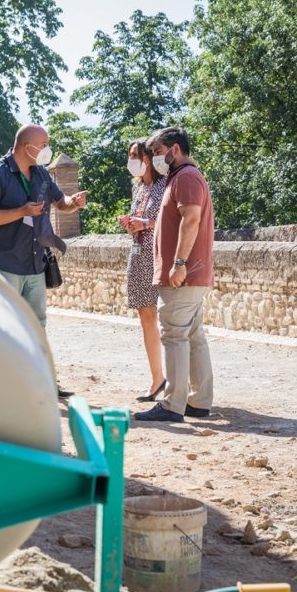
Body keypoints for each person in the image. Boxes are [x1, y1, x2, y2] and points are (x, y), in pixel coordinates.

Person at [0, 124, 88, 398]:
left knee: (38, 324)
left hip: (35, 263)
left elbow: (61, 204)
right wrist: (21, 211)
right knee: (3, 324)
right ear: (28, 147)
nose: (48, 149)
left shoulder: (40, 174)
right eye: (44, 143)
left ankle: (45, 380)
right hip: (4, 263)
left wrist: (74, 202)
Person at [133, 127, 215, 423]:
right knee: (193, 335)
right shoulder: (181, 177)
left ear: (175, 149)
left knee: (175, 335)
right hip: (191, 272)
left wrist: (179, 263)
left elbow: (191, 219)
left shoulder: (186, 177)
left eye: (157, 152)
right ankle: (199, 400)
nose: (154, 158)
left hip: (184, 273)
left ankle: (173, 404)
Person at [117, 138, 167, 402]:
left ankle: (176, 379)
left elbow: (171, 221)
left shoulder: (165, 185)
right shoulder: (137, 188)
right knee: (145, 316)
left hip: (158, 256)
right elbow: (139, 219)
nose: (131, 160)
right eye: (130, 155)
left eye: (135, 155)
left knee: (168, 319)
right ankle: (157, 378)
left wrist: (145, 223)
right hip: (137, 256)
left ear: (148, 158)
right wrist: (130, 223)